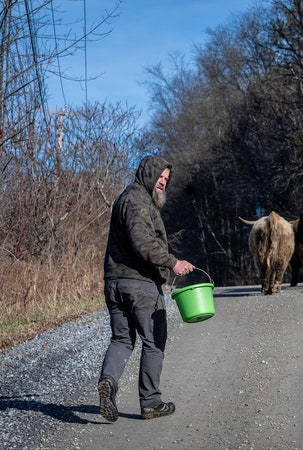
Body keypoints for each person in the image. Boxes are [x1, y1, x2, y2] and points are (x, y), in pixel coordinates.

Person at [98, 155, 195, 421]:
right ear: (147, 175)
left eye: (166, 179)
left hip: (114, 283)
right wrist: (172, 262)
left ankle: (108, 382)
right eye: (160, 177)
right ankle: (151, 402)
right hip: (139, 285)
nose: (163, 183)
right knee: (154, 342)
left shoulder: (125, 198)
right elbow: (141, 242)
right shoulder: (138, 201)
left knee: (121, 339)